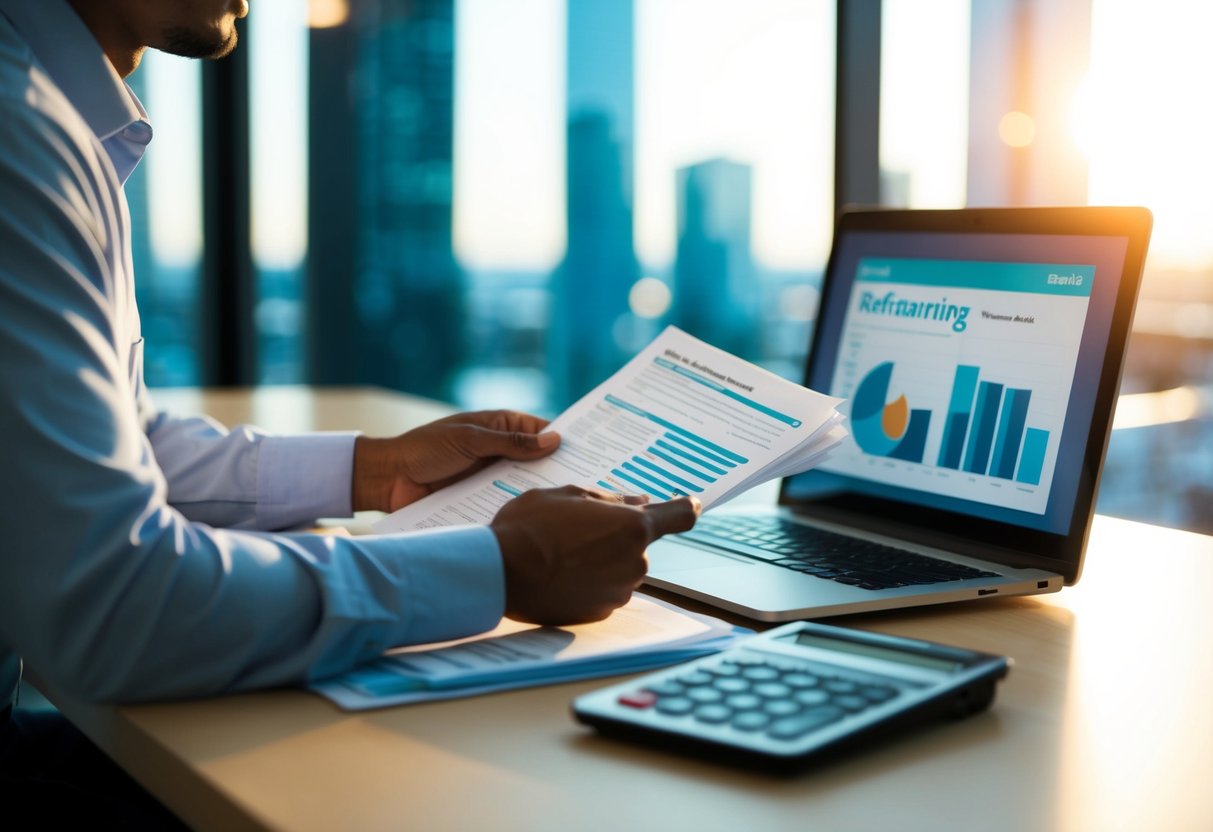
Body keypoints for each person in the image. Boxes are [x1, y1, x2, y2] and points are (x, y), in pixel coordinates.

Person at [0, 0, 699, 823]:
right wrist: (504, 569)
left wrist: (380, 467)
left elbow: (101, 446)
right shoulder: (19, 134)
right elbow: (115, 607)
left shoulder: (49, 113)